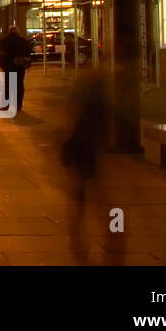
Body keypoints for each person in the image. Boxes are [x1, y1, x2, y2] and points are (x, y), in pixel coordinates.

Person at [61, 69, 124, 264]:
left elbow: (72, 124)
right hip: (89, 153)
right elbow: (104, 132)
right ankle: (113, 235)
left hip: (81, 152)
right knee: (100, 199)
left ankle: (78, 237)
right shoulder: (101, 104)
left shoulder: (86, 101)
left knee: (83, 199)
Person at [0, 26, 31, 113]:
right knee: (19, 85)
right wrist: (27, 65)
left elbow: (0, 54)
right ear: (17, 31)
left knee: (8, 85)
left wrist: (2, 65)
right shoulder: (23, 41)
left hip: (8, 66)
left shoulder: (4, 41)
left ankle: (6, 105)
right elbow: (27, 53)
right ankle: (18, 105)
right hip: (19, 66)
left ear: (9, 31)